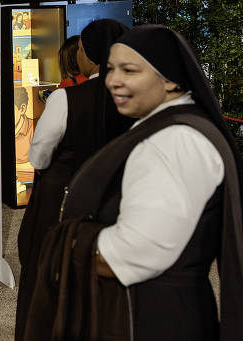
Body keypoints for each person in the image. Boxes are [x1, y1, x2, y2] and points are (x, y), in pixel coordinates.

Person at [26, 25, 243, 340]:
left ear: (169, 79)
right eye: (111, 68)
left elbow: (130, 254)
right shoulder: (175, 127)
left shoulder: (174, 142)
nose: (113, 80)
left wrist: (69, 244)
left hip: (152, 319)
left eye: (129, 70)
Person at [14, 19, 128, 341]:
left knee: (48, 279)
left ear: (91, 56)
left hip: (62, 207)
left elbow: (38, 156)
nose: (76, 53)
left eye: (79, 48)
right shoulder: (134, 99)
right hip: (114, 206)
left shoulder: (67, 99)